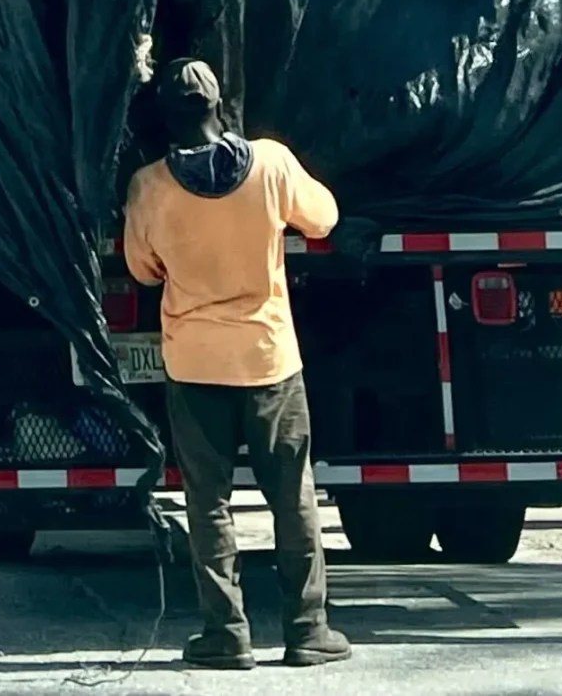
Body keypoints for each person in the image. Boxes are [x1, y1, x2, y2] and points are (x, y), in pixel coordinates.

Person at [123, 57, 351, 671]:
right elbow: (324, 218)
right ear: (222, 105)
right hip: (271, 359)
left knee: (209, 502)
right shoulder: (272, 164)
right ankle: (308, 630)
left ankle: (226, 634)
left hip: (195, 363)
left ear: (166, 120)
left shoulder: (149, 186)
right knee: (292, 497)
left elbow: (141, 268)